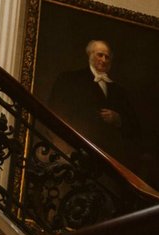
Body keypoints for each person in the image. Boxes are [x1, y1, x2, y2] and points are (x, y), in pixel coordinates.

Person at [49, 39, 142, 171]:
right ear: (90, 55)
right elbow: (55, 111)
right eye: (100, 55)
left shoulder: (118, 90)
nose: (104, 60)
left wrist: (118, 119)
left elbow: (134, 126)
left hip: (109, 160)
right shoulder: (70, 79)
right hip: (76, 152)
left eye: (107, 57)